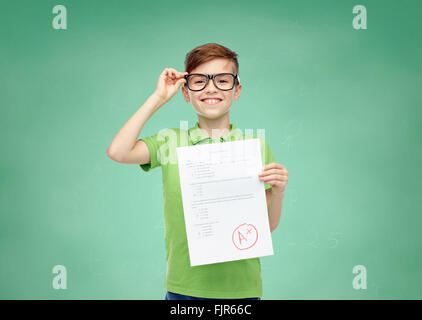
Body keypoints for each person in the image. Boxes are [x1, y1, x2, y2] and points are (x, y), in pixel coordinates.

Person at [107, 43, 289, 300]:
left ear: (237, 91)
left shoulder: (255, 147)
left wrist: (279, 192)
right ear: (185, 92)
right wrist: (158, 97)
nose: (211, 88)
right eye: (200, 81)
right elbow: (118, 151)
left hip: (242, 289)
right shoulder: (170, 141)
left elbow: (266, 225)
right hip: (185, 288)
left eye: (223, 80)